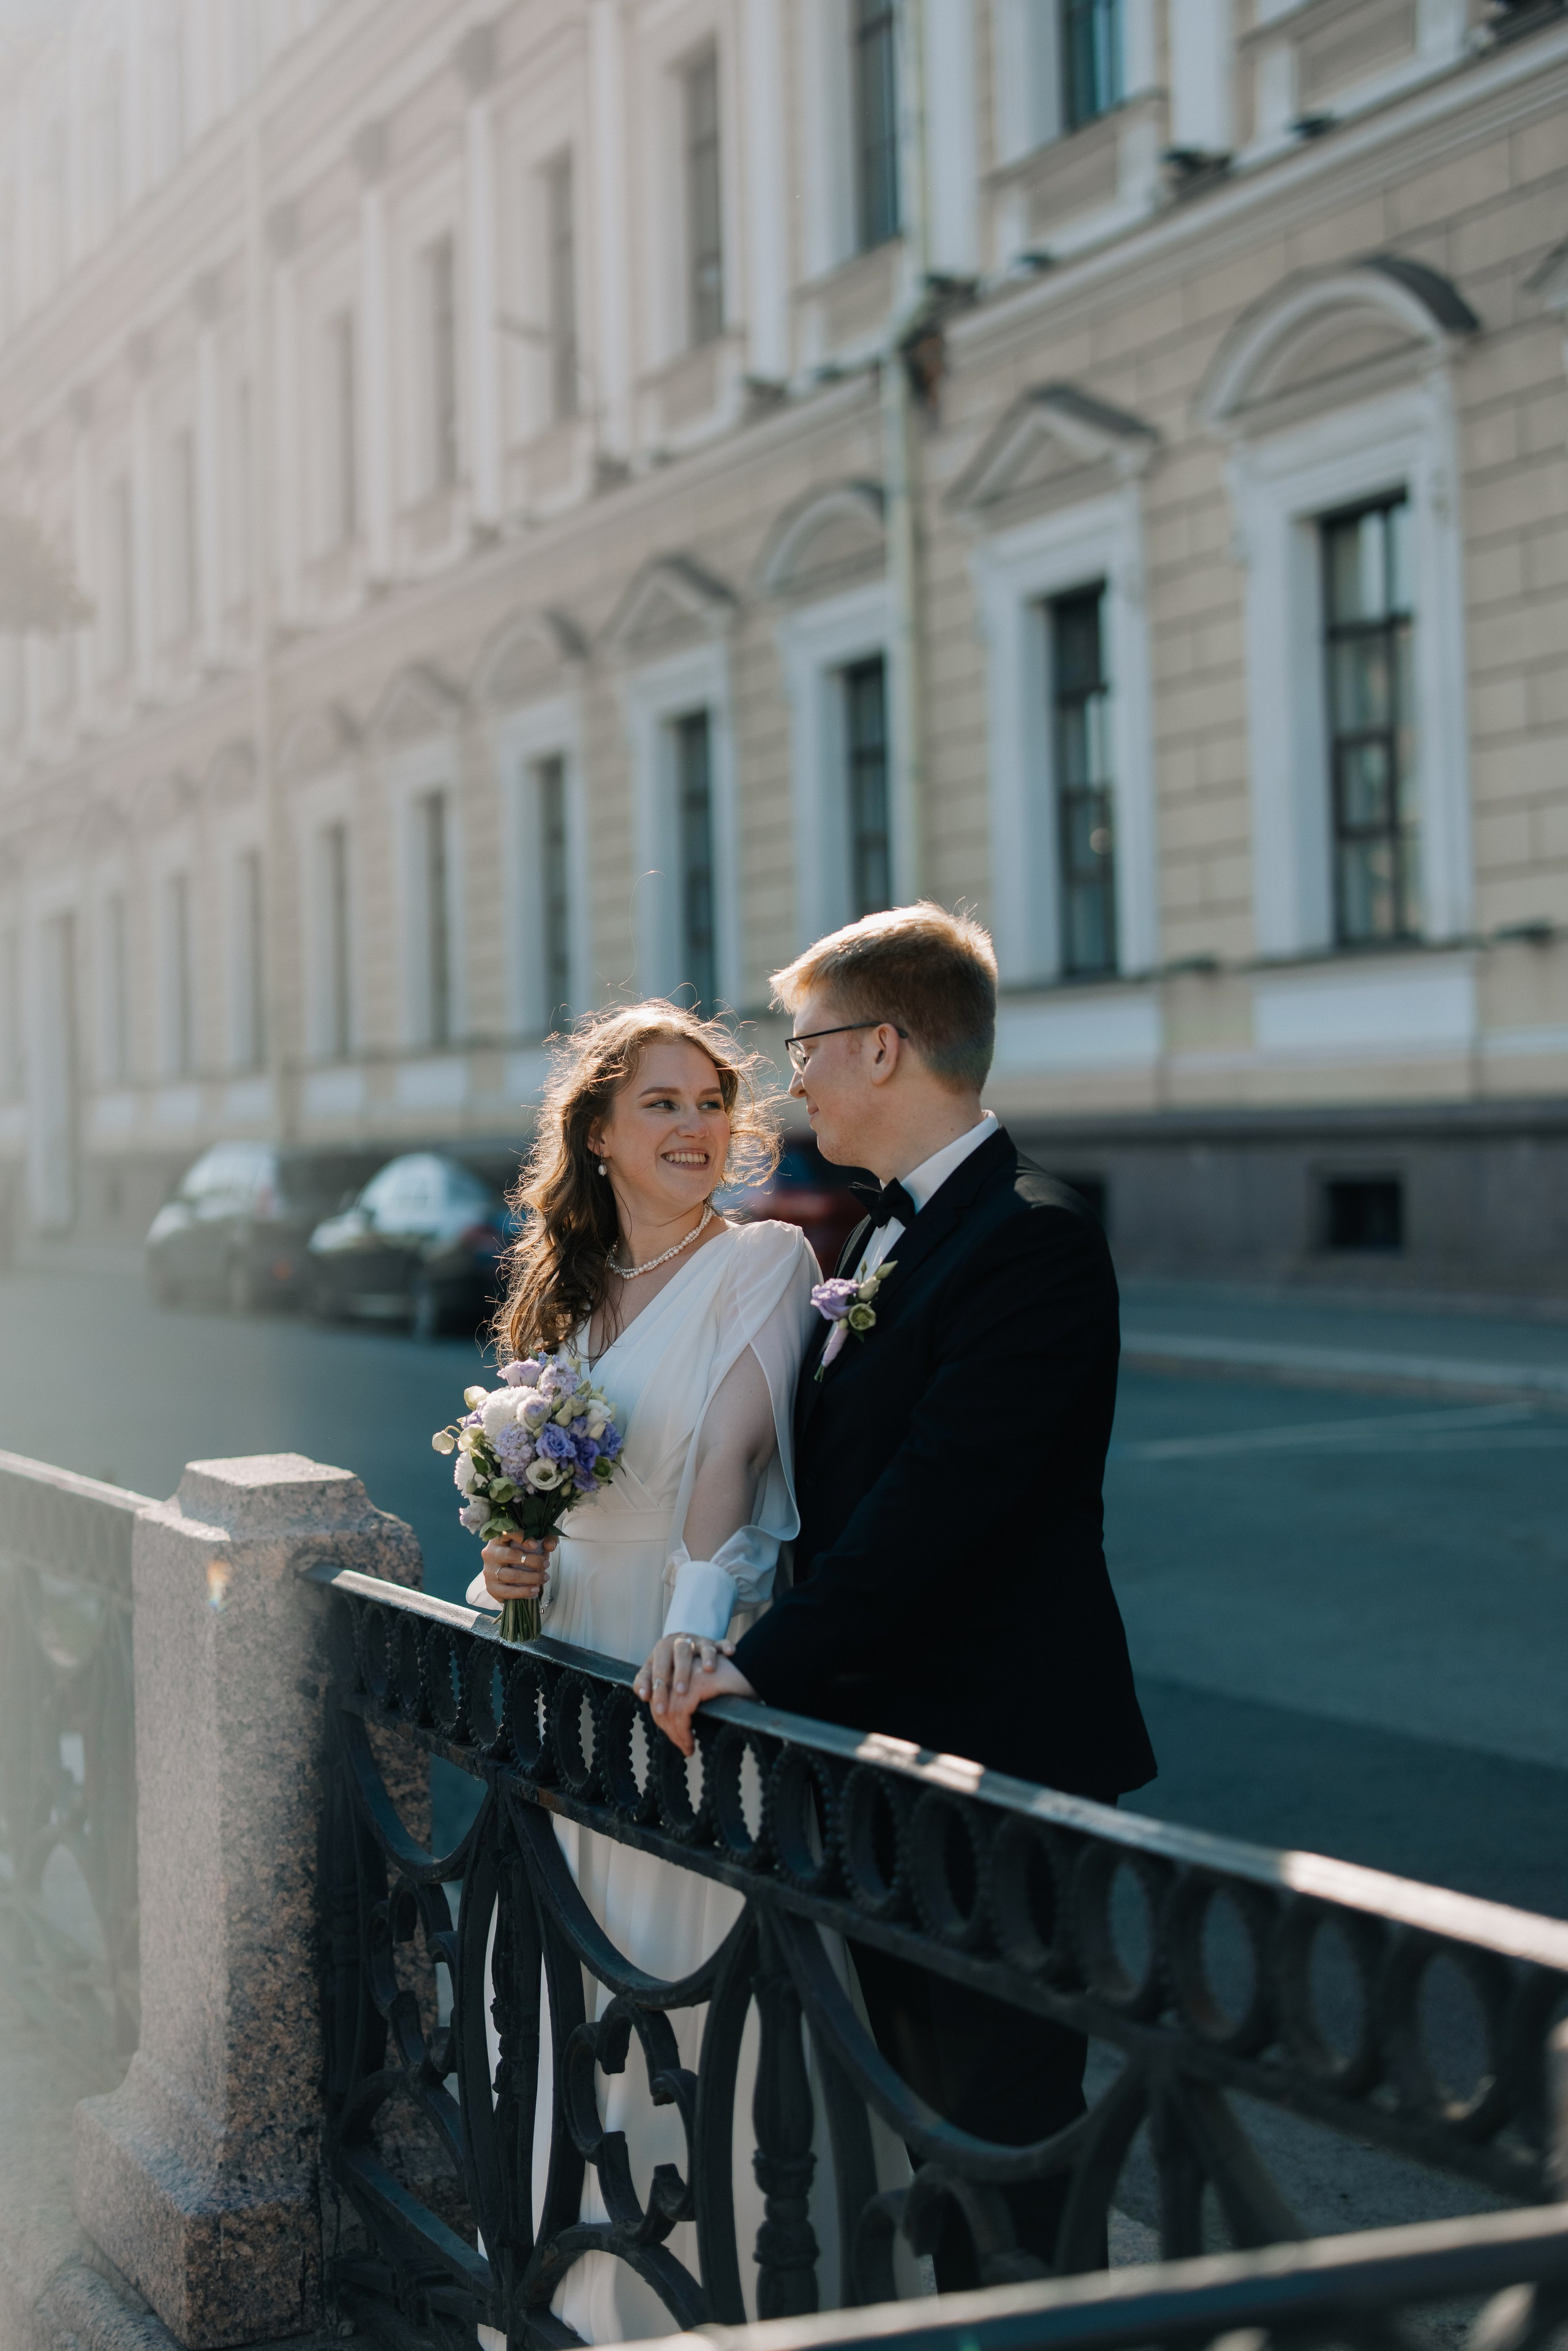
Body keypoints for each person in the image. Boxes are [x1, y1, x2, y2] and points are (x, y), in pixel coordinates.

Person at [638, 904, 1157, 2289]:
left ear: (881, 1046)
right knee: (927, 2140)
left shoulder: (1030, 1238)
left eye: (804, 1047)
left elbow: (944, 1497)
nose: (788, 1079)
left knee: (1007, 2151)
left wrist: (767, 1661)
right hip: (882, 1763)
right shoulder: (877, 1238)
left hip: (992, 1763)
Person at [466, 1000, 905, 2343]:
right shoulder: (564, 1295)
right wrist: (505, 1568)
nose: (696, 1127)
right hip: (564, 1660)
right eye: (661, 1103)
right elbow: (525, 1510)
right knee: (566, 1986)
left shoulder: (761, 1260)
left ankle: (696, 2311)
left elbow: (725, 1460)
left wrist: (699, 1621)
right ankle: (568, 2294)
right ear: (596, 1133)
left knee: (680, 1986)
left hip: (669, 1660)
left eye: (712, 1102)